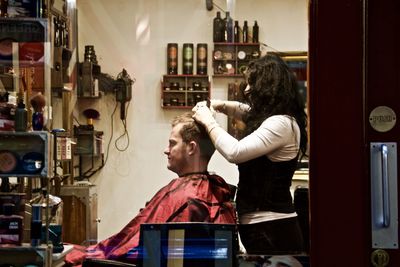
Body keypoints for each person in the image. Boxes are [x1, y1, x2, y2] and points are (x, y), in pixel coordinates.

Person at [65, 112, 236, 266]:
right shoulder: (214, 190)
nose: (166, 150)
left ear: (191, 148)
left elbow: (135, 250)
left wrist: (87, 255)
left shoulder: (187, 196)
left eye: (172, 144)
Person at [192, 53, 308, 255]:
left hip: (273, 230)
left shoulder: (281, 124)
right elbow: (246, 111)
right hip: (263, 227)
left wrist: (208, 120)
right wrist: (219, 105)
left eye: (252, 83)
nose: (246, 90)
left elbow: (235, 152)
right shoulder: (276, 119)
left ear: (268, 86)